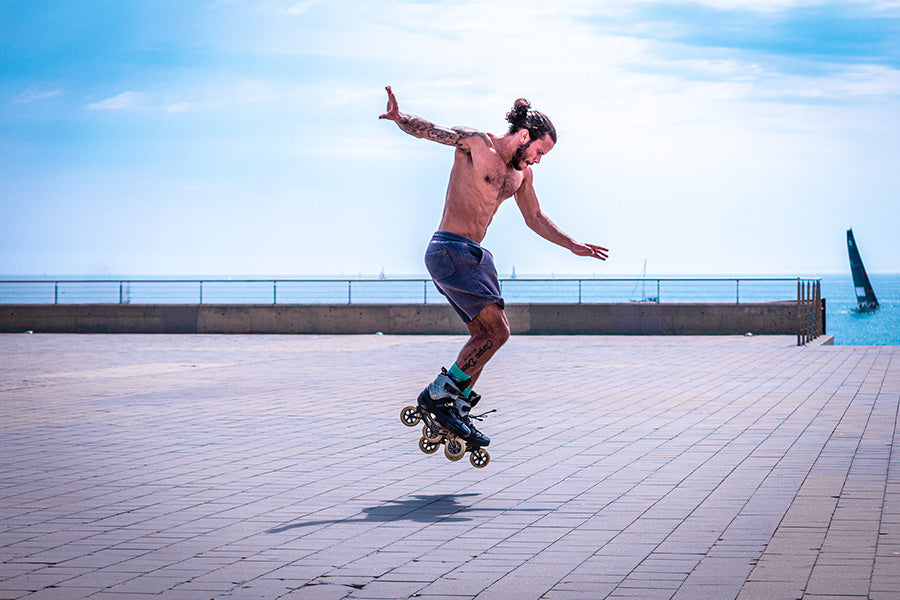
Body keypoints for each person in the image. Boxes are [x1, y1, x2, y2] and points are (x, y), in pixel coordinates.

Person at [380, 85, 608, 447]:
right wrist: (401, 119)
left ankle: (455, 406)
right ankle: (439, 394)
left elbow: (534, 217)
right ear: (523, 136)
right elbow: (431, 130)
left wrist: (573, 245)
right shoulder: (476, 144)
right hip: (449, 248)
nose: (537, 160)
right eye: (538, 151)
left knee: (483, 336)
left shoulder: (521, 176)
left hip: (474, 256)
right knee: (499, 333)